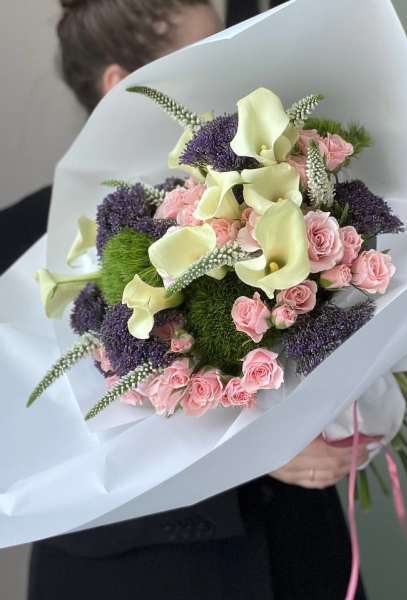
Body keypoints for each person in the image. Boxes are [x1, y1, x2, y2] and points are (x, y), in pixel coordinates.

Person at [3, 2, 372, 599]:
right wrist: (247, 452)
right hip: (140, 579)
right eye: (205, 53)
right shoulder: (19, 239)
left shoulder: (267, 185)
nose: (229, 71)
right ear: (123, 85)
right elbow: (35, 461)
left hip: (300, 556)